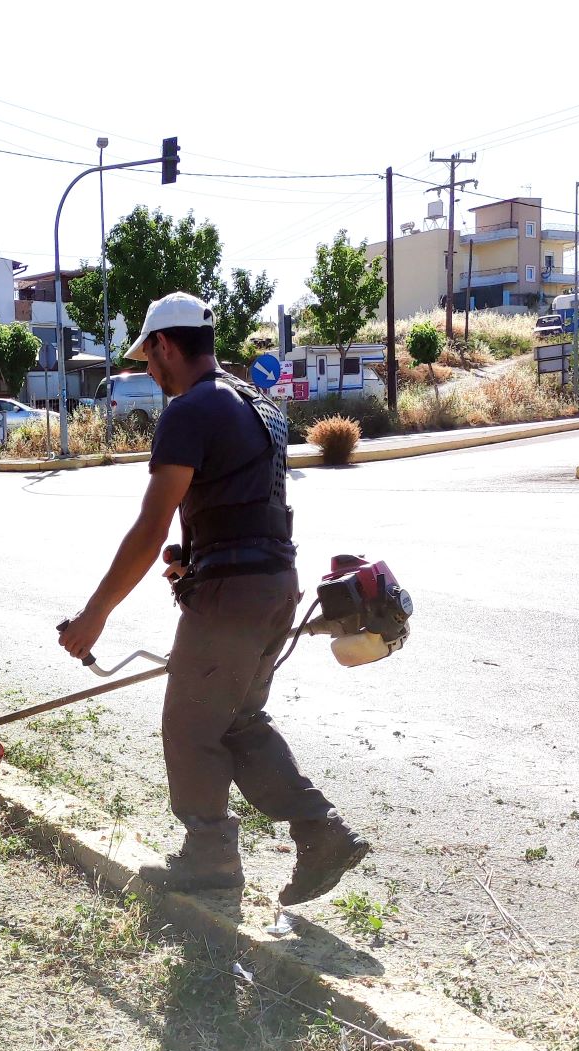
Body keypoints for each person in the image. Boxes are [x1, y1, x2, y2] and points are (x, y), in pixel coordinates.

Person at [58, 292, 368, 903]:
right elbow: (241, 503)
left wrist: (94, 616)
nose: (149, 372)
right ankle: (319, 831)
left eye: (148, 359)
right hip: (274, 583)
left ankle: (210, 862)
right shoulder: (259, 405)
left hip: (233, 597)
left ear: (164, 345)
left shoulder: (190, 410)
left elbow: (150, 526)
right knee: (237, 722)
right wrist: (194, 559)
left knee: (191, 726)